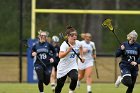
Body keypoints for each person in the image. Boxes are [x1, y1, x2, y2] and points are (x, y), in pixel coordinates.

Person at [55, 26, 85, 93]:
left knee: (75, 78)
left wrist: (82, 57)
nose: (74, 37)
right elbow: (60, 56)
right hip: (63, 67)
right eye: (72, 35)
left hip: (72, 66)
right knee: (60, 86)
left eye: (76, 35)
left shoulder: (78, 43)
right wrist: (68, 51)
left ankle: (71, 92)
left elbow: (81, 47)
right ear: (68, 36)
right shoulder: (64, 45)